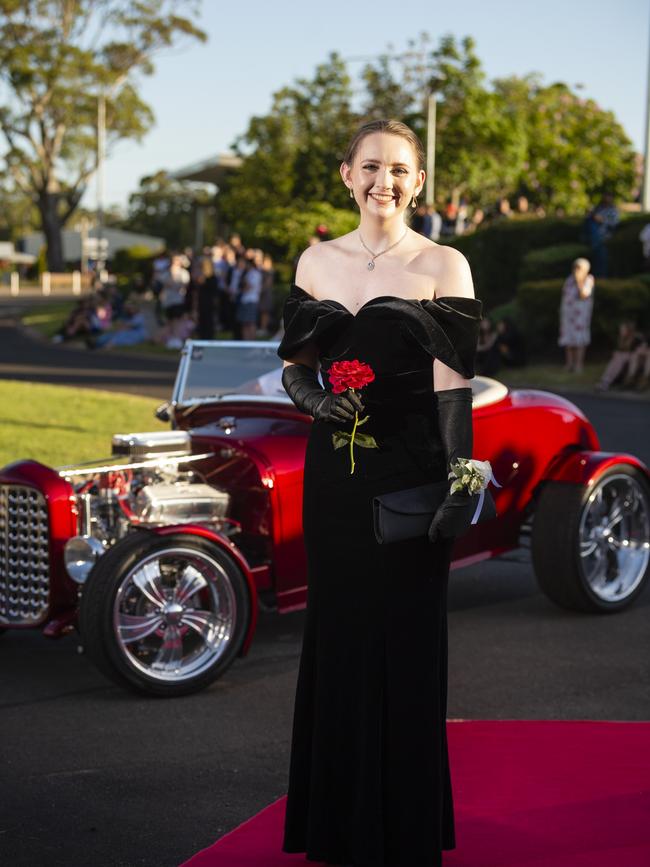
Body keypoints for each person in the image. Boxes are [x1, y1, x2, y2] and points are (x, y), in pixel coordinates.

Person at [277, 118, 483, 867]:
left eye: (400, 169)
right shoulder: (315, 260)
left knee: (406, 640)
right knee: (339, 638)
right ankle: (338, 824)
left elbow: (454, 391)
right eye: (371, 166)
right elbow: (297, 367)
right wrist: (315, 402)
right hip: (333, 477)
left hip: (413, 471)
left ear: (419, 182)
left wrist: (461, 484)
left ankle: (403, 826)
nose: (383, 181)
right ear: (346, 174)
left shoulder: (443, 264)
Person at [558, 257, 595, 374]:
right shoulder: (569, 280)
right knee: (568, 341)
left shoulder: (588, 279)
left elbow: (584, 295)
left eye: (579, 268)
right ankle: (569, 364)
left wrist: (579, 281)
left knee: (579, 341)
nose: (576, 270)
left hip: (581, 317)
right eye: (575, 267)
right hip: (568, 316)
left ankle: (579, 364)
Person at [595, 320, 646, 391]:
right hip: (626, 357)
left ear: (628, 331)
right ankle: (605, 380)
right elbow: (621, 350)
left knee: (619, 358)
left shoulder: (637, 338)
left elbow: (640, 351)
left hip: (637, 359)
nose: (621, 331)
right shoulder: (622, 339)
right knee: (616, 359)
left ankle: (606, 381)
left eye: (623, 330)